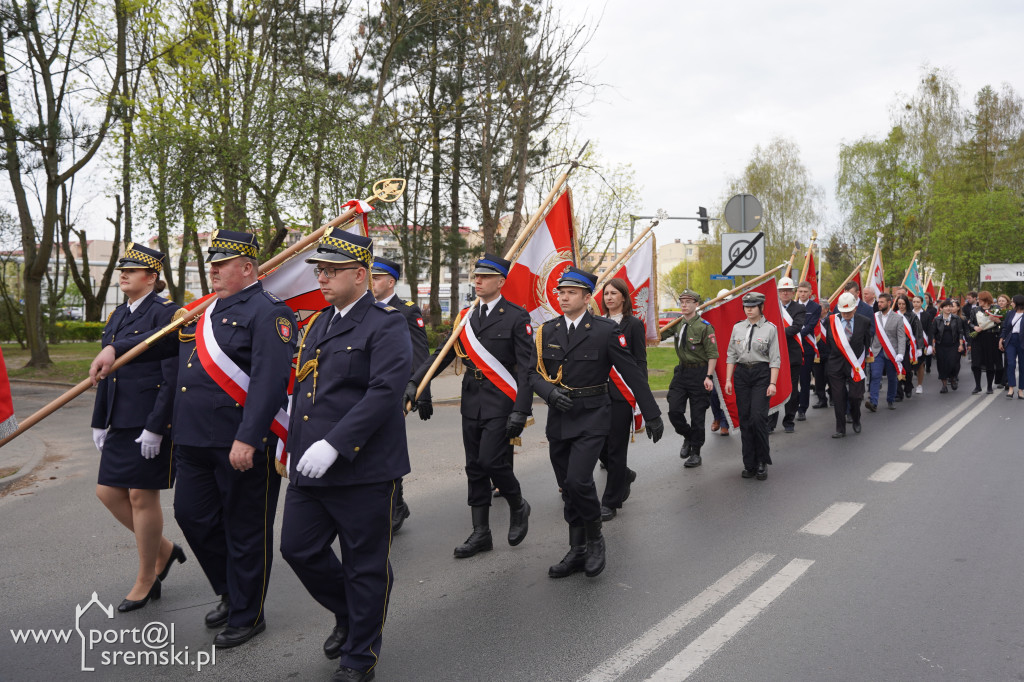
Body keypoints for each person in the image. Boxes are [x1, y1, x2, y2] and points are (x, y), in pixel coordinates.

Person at [90, 230, 296, 648]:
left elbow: (269, 383)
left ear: (248, 268)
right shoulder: (202, 311)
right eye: (212, 263)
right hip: (193, 440)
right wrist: (115, 348)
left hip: (240, 443)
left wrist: (249, 437)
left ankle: (247, 612)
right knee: (193, 516)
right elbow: (159, 344)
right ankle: (229, 589)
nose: (214, 270)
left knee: (245, 529)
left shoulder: (269, 312)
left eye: (223, 264)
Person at [279, 229, 410, 682]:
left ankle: (360, 655)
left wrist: (335, 443)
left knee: (365, 564)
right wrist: (291, 445)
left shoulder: (387, 323)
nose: (321, 276)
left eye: (331, 270)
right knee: (298, 548)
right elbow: (304, 392)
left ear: (360, 275)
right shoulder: (318, 322)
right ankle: (351, 613)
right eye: (320, 269)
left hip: (363, 468)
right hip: (309, 464)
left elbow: (384, 392)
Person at [530, 267, 663, 579]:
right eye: (561, 292)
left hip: (592, 415)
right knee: (567, 488)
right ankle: (576, 549)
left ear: (588, 298)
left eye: (571, 292)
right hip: (559, 417)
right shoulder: (547, 331)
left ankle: (595, 539)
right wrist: (549, 393)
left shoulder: (604, 330)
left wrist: (653, 414)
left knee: (579, 480)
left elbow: (631, 372)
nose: (563, 297)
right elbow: (531, 373)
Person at [405, 253, 533, 560]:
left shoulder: (516, 317)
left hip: (502, 400)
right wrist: (417, 382)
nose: (477, 280)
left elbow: (527, 368)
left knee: (492, 461)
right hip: (472, 398)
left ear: (501, 281)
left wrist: (521, 409)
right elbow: (443, 354)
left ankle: (517, 503)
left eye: (485, 276)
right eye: (475, 276)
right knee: (474, 466)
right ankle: (481, 533)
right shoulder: (466, 316)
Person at [91, 244, 185, 612]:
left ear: (152, 277)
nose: (124, 275)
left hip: (150, 422)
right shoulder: (117, 314)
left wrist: (157, 427)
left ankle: (148, 576)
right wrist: (100, 420)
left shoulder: (168, 314)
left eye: (132, 270)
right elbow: (105, 374)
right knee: (107, 492)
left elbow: (172, 374)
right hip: (119, 418)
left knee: (140, 497)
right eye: (122, 270)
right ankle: (164, 549)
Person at [370, 256, 428, 533]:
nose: (370, 282)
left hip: (395, 391)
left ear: (390, 281)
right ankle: (393, 504)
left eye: (376, 277)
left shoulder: (405, 311)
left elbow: (420, 353)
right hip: (367, 389)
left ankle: (395, 505)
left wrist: (422, 392)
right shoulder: (364, 307)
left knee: (387, 448)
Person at [597, 278, 645, 520]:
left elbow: (639, 360)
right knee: (596, 445)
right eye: (606, 294)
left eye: (614, 293)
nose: (609, 297)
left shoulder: (634, 325)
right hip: (597, 394)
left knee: (616, 448)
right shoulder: (596, 323)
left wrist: (641, 395)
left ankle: (610, 501)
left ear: (624, 297)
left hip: (621, 394)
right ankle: (624, 475)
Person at [724, 292, 780, 481]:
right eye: (746, 306)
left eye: (753, 306)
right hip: (741, 375)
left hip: (761, 375)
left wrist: (772, 383)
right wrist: (728, 380)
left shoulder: (770, 329)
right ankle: (749, 463)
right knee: (745, 420)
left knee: (758, 418)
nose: (749, 309)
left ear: (761, 307)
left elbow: (775, 359)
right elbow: (731, 354)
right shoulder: (738, 328)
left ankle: (763, 461)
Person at [662, 289, 718, 468]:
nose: (684, 305)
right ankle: (687, 435)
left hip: (700, 374)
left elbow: (712, 354)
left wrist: (708, 376)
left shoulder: (704, 326)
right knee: (674, 411)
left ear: (696, 304)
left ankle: (696, 452)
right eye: (682, 302)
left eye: (688, 302)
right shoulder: (677, 324)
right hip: (682, 373)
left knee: (698, 416)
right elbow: (658, 335)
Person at [824, 292, 871, 438]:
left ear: (855, 308)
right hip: (836, 365)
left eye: (849, 311)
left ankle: (856, 418)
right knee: (838, 397)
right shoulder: (831, 321)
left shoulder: (864, 321)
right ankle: (840, 428)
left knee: (855, 396)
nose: (846, 314)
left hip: (855, 365)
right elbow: (828, 343)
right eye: (843, 311)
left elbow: (866, 343)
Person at [768, 277, 805, 433]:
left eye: (788, 290)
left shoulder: (799, 308)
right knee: (772, 388)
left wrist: (775, 334)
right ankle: (770, 423)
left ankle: (789, 420)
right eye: (782, 290)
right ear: (778, 292)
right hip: (773, 354)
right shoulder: (772, 307)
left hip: (792, 354)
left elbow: (796, 327)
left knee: (791, 389)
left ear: (792, 292)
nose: (785, 293)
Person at [866, 293, 905, 411]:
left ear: (889, 303)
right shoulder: (874, 317)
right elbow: (870, 334)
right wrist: (868, 348)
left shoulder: (898, 318)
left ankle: (891, 399)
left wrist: (901, 353)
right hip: (877, 351)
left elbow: (901, 337)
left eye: (882, 302)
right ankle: (873, 402)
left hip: (892, 353)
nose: (879, 304)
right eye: (879, 302)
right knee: (875, 376)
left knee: (892, 377)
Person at [796, 281, 827, 414]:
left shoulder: (815, 307)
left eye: (805, 292)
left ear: (810, 293)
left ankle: (803, 408)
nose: (802, 294)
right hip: (792, 348)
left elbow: (811, 326)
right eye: (800, 291)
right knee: (792, 381)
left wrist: (795, 333)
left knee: (804, 379)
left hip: (807, 348)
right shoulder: (792, 306)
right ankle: (792, 405)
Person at [968, 291, 1003, 395]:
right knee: (976, 363)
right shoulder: (975, 310)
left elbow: (1002, 325)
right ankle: (978, 386)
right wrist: (974, 327)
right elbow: (970, 323)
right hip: (978, 338)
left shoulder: (996, 309)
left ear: (986, 300)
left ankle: (989, 386)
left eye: (980, 299)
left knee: (990, 363)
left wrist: (997, 321)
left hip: (991, 338)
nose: (978, 301)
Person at [932, 299, 966, 393]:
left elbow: (960, 332)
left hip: (954, 345)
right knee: (942, 365)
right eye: (946, 306)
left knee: (953, 363)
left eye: (950, 306)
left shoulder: (956, 318)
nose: (948, 308)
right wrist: (933, 346)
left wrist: (961, 344)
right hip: (941, 345)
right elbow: (933, 334)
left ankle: (953, 378)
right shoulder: (937, 319)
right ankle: (944, 385)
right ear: (941, 308)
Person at [895, 295, 922, 400]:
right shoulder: (893, 315)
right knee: (896, 369)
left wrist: (919, 347)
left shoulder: (912, 316)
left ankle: (908, 387)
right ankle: (898, 393)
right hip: (895, 346)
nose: (901, 306)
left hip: (908, 346)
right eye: (899, 304)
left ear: (907, 304)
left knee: (907, 368)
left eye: (903, 304)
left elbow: (918, 332)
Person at [999, 294, 1024, 399]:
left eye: (1013, 301)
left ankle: (1021, 390)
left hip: (1022, 341)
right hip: (1010, 340)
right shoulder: (1010, 313)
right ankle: (1011, 388)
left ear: (1018, 303)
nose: (1011, 303)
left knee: (1022, 366)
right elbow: (1005, 327)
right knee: (1011, 364)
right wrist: (1001, 340)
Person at [911, 295, 931, 393]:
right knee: (909, 364)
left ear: (921, 303)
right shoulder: (908, 314)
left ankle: (919, 385)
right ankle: (908, 384)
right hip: (911, 343)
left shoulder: (926, 315)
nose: (916, 304)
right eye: (914, 302)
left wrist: (930, 344)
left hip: (922, 343)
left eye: (918, 302)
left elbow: (929, 330)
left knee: (920, 364)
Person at [921, 294, 937, 376]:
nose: (924, 299)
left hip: (928, 331)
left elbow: (929, 318)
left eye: (926, 298)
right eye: (923, 298)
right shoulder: (917, 309)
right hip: (920, 331)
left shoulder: (932, 309)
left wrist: (924, 311)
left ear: (929, 299)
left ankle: (928, 366)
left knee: (928, 348)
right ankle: (920, 365)